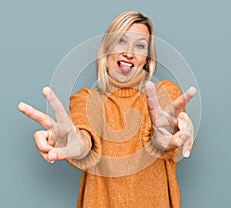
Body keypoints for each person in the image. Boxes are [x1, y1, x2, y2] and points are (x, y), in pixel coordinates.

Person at [18, 10, 197, 208]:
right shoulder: (87, 100)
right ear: (107, 49)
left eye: (139, 46)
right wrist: (73, 142)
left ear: (146, 58)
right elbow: (84, 140)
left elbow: (167, 128)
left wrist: (169, 134)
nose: (129, 52)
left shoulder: (164, 92)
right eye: (121, 41)